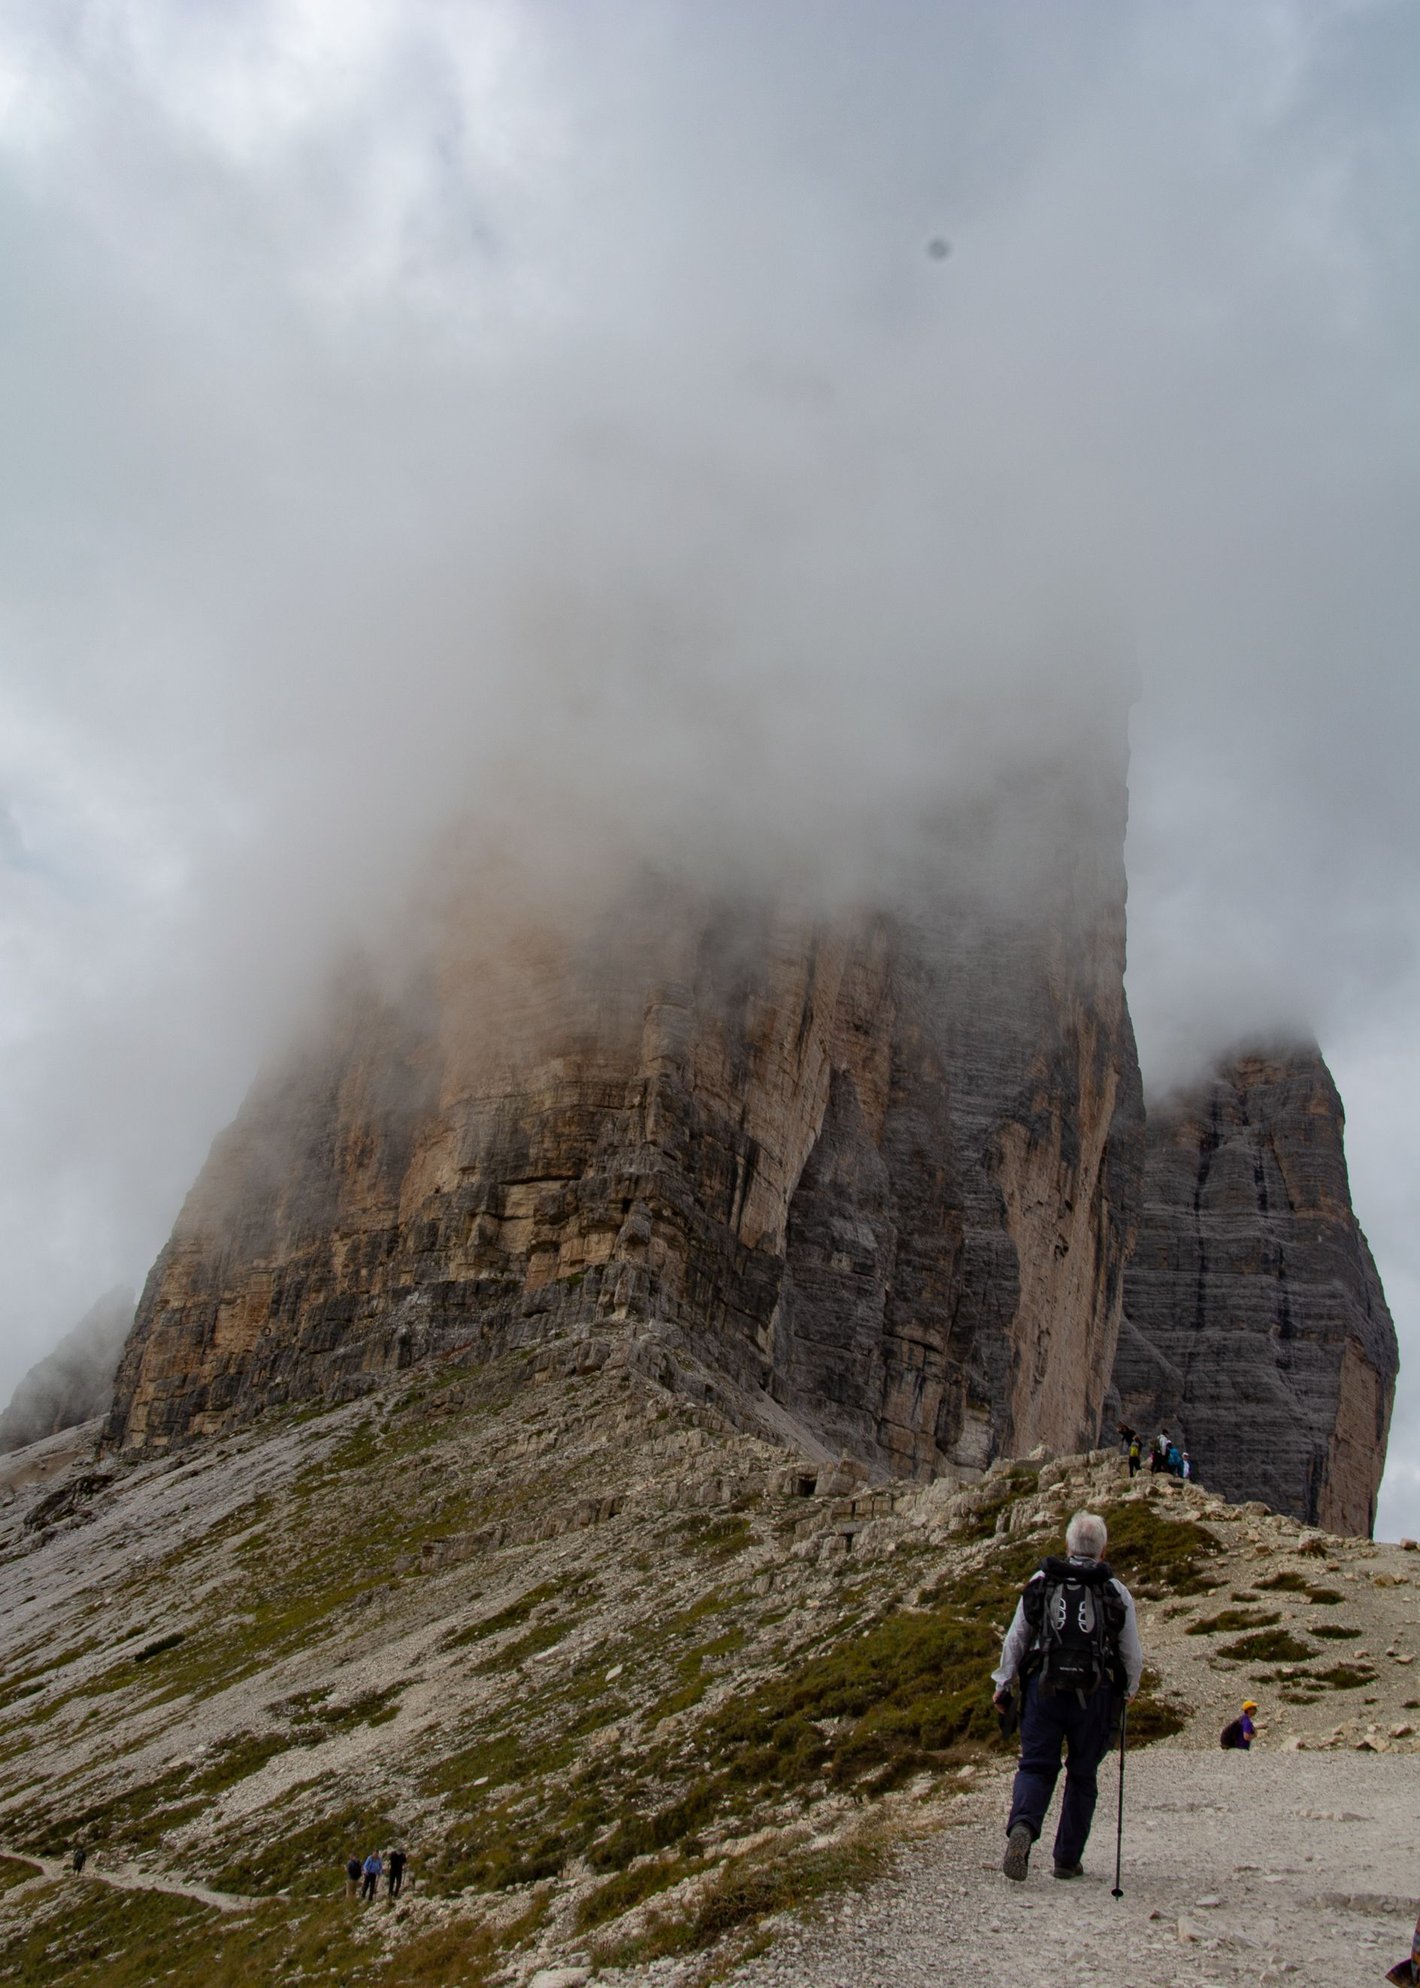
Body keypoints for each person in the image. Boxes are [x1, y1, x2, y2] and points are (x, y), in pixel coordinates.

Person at [993, 1509, 1143, 1883]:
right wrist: (1128, 1691)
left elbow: (1016, 1638)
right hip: (1095, 1696)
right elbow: (1131, 1654)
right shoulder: (1115, 1591)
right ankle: (1066, 1860)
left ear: (1067, 1545)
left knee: (1036, 1765)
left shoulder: (1043, 1580)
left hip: (1043, 1690)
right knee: (1082, 1774)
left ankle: (1022, 1829)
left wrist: (1003, 1684)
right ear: (1102, 1552)